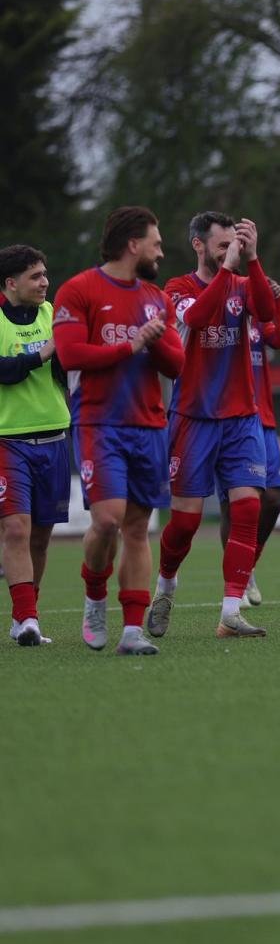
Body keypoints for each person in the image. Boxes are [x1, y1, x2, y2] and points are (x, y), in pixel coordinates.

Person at [53, 206, 184, 657]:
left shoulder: (157, 298)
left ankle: (131, 630)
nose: (161, 253)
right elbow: (71, 355)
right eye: (156, 243)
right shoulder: (78, 290)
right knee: (107, 520)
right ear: (133, 245)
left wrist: (156, 341)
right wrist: (131, 344)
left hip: (149, 425)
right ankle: (94, 596)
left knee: (137, 527)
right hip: (99, 422)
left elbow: (177, 364)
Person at [147, 212, 277, 640]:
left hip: (241, 417)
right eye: (223, 246)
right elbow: (199, 317)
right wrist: (228, 269)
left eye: (234, 244)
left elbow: (267, 312)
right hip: (194, 417)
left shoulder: (242, 282)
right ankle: (166, 585)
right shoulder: (177, 289)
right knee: (185, 523)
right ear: (198, 245)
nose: (230, 252)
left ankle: (230, 612)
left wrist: (253, 260)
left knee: (248, 508)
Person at [0, 245, 72, 646]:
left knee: (41, 537)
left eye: (45, 274)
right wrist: (44, 353)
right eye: (35, 276)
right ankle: (28, 619)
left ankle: (23, 618)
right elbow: (4, 371)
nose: (45, 282)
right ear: (11, 284)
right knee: (15, 528)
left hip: (55, 435)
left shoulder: (53, 314)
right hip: (8, 439)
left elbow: (67, 364)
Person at [221, 278, 280, 609]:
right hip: (229, 417)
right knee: (233, 505)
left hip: (262, 418)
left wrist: (277, 302)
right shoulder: (225, 315)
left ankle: (248, 564)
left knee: (273, 497)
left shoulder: (258, 321)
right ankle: (235, 581)